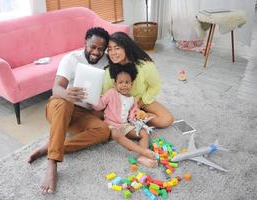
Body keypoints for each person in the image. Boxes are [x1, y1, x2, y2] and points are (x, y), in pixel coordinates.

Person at [27, 27, 111, 194]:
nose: (96, 52)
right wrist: (67, 94)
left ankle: (51, 146)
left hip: (83, 114)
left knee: (104, 131)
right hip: (59, 107)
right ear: (85, 43)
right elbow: (55, 89)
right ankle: (52, 163)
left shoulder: (108, 62)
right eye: (93, 47)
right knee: (65, 102)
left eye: (101, 49)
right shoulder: (71, 59)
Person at [103, 32, 174, 128]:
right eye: (110, 49)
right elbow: (106, 93)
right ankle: (131, 118)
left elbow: (155, 86)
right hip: (119, 103)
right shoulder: (109, 70)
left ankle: (138, 117)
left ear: (126, 48)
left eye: (117, 48)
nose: (113, 53)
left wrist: (139, 106)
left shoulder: (145, 65)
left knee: (166, 120)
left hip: (141, 100)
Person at [93, 64, 158, 168]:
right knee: (116, 134)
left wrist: (137, 119)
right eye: (120, 82)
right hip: (111, 125)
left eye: (127, 82)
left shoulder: (132, 99)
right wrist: (91, 99)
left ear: (131, 84)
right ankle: (144, 151)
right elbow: (99, 106)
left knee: (144, 133)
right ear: (115, 84)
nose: (124, 85)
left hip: (124, 125)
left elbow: (132, 115)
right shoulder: (111, 93)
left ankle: (142, 157)